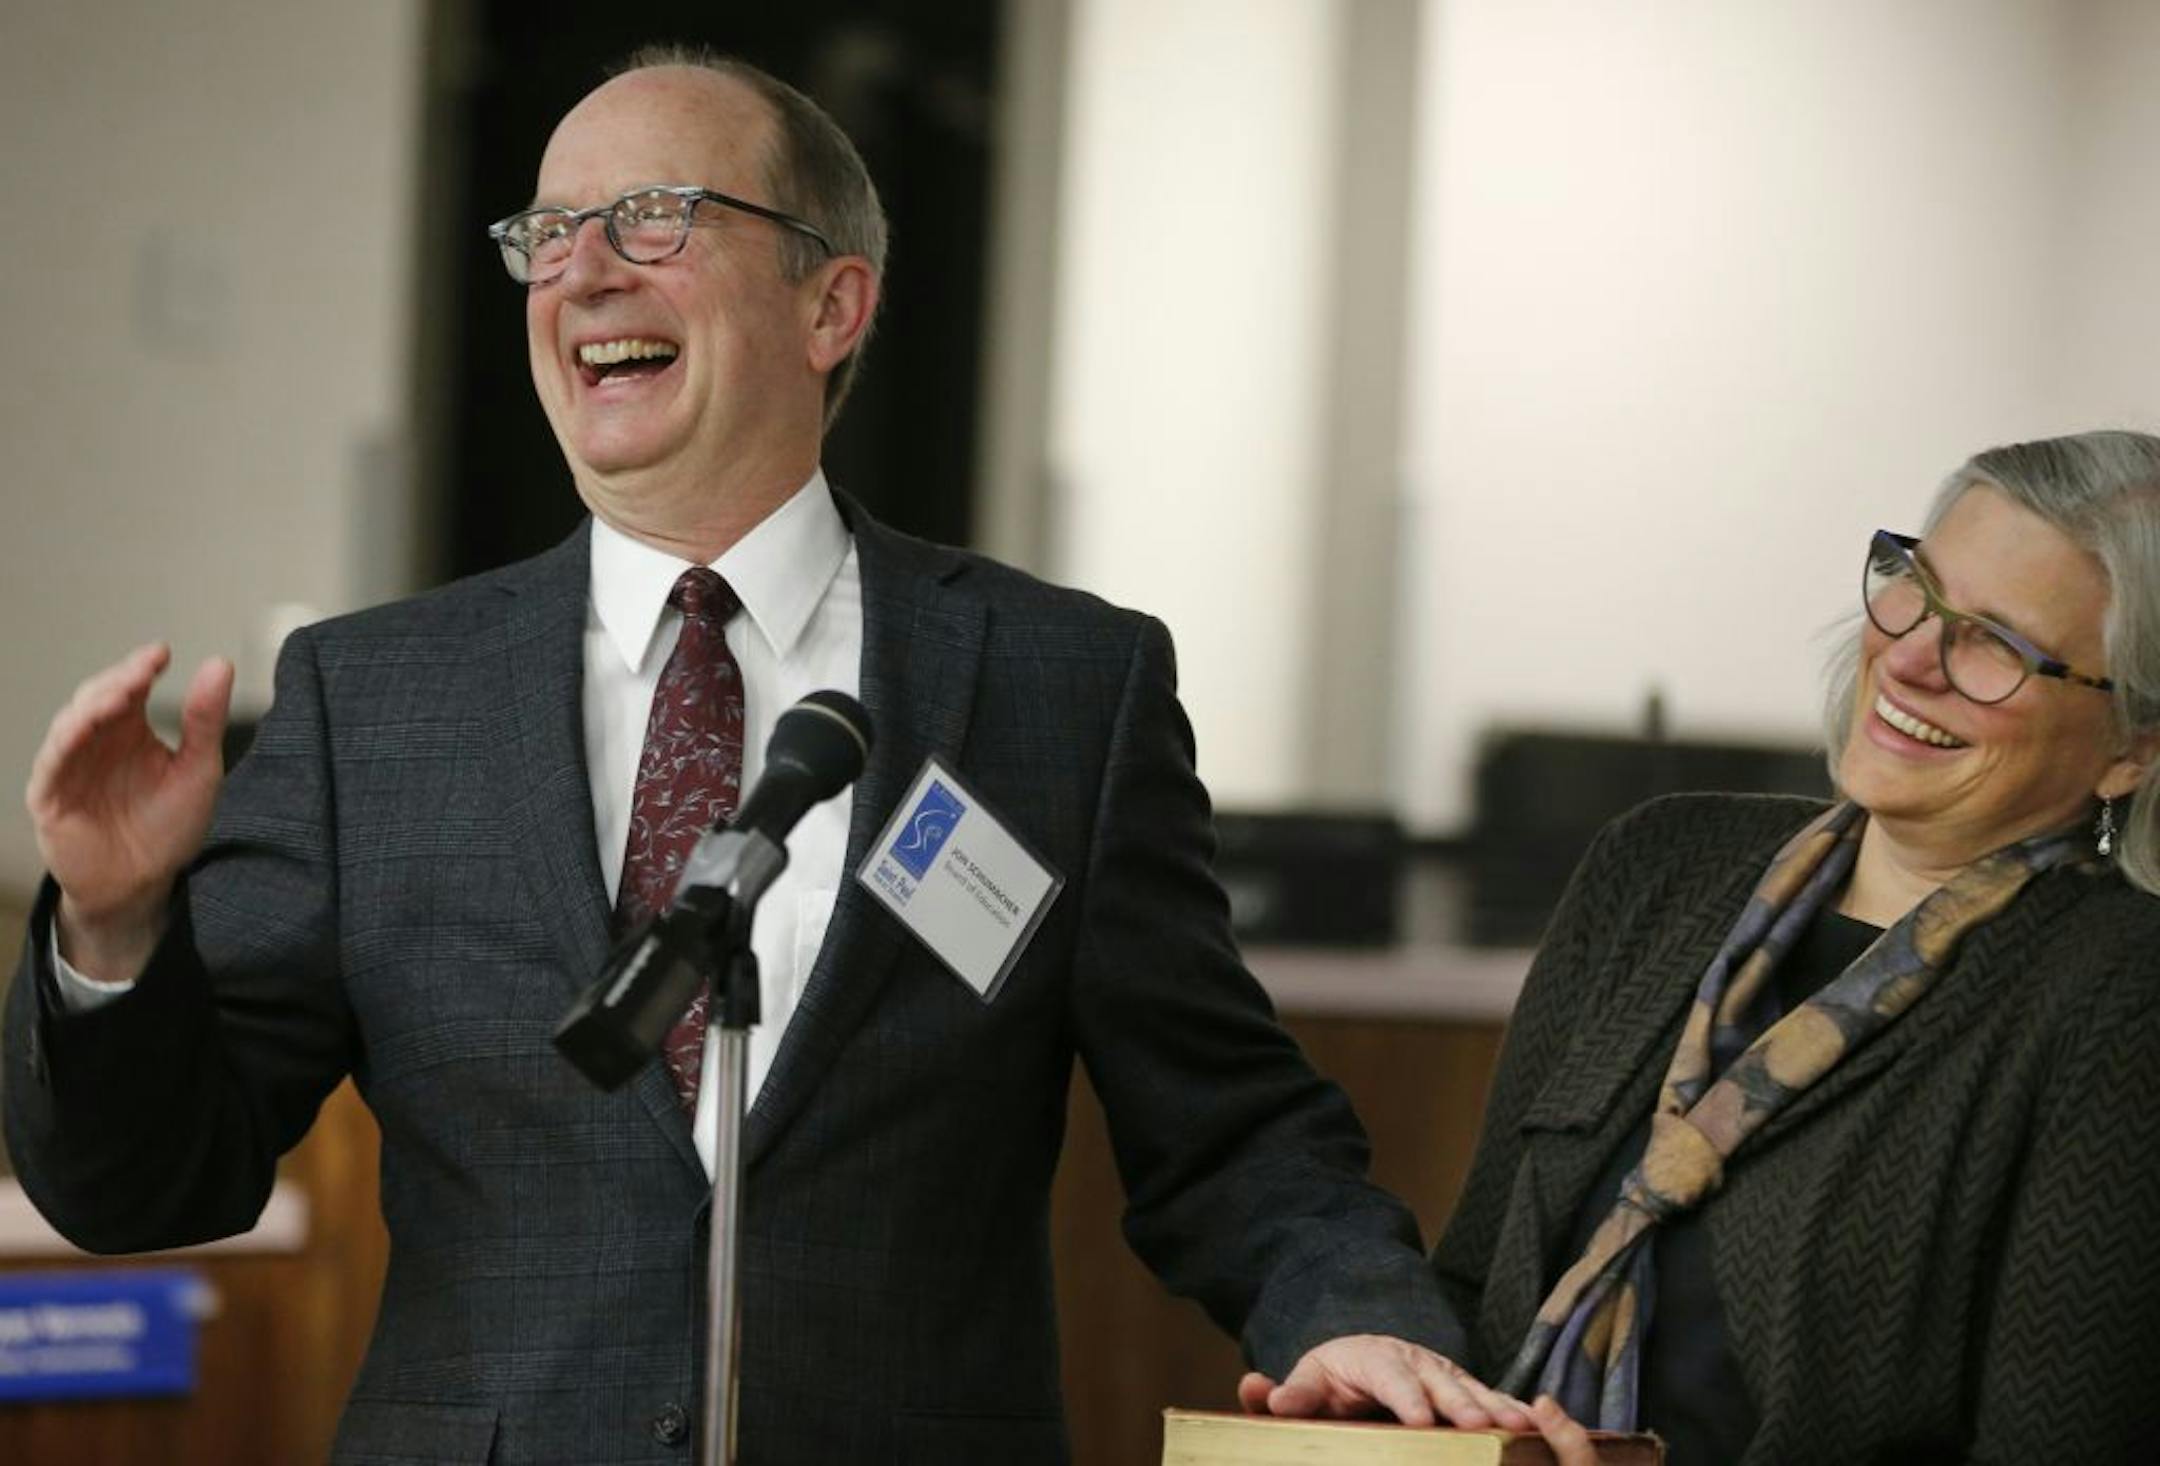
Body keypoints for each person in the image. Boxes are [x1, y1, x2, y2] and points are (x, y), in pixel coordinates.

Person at [4, 49, 1538, 1464]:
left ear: (833, 305)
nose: (581, 267)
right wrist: (115, 929)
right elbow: (150, 1179)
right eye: (545, 233)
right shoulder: (374, 698)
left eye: (654, 215)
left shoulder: (1062, 684)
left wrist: (1354, 1310)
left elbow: (1225, 1124)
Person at [1430, 429, 2160, 1463]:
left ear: (2132, 746)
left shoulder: (2124, 995)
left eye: (1996, 641)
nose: (1910, 655)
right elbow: (1473, 1285)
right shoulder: (1656, 864)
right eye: (1920, 587)